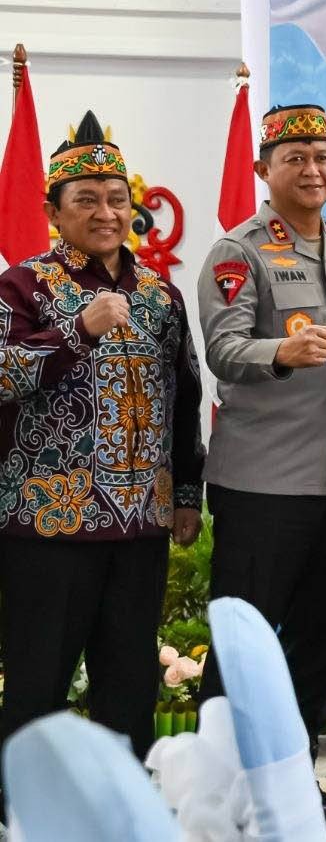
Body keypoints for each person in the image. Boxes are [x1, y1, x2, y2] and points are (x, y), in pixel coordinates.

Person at [196, 103, 326, 837]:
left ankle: (295, 784)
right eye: (295, 157)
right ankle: (217, 794)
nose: (312, 170)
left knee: (318, 644)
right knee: (243, 644)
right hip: (263, 486)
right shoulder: (238, 252)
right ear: (263, 169)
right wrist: (279, 350)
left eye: (322, 156)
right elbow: (223, 350)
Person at [0, 112, 204, 761]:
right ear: (53, 212)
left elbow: (185, 396)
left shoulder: (160, 296)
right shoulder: (23, 284)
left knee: (130, 683)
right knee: (38, 682)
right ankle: (23, 802)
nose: (106, 212)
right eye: (86, 199)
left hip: (140, 521)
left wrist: (187, 494)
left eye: (117, 198)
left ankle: (126, 801)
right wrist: (77, 331)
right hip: (49, 521)